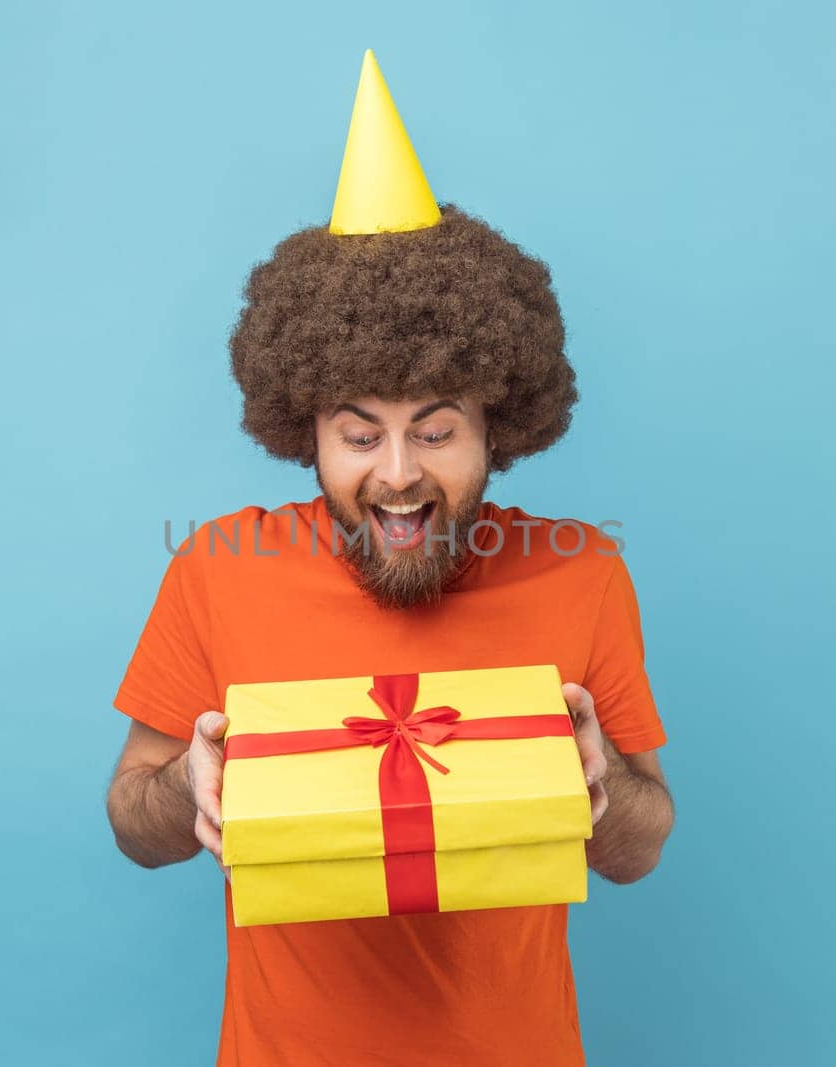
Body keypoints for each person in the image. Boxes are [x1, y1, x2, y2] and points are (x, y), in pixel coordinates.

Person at [105, 50, 675, 1065]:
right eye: (359, 434)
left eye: (438, 429)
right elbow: (134, 822)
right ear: (306, 432)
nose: (400, 473)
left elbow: (636, 847)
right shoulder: (218, 564)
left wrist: (602, 793)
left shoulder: (581, 572)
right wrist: (182, 789)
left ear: (499, 427)